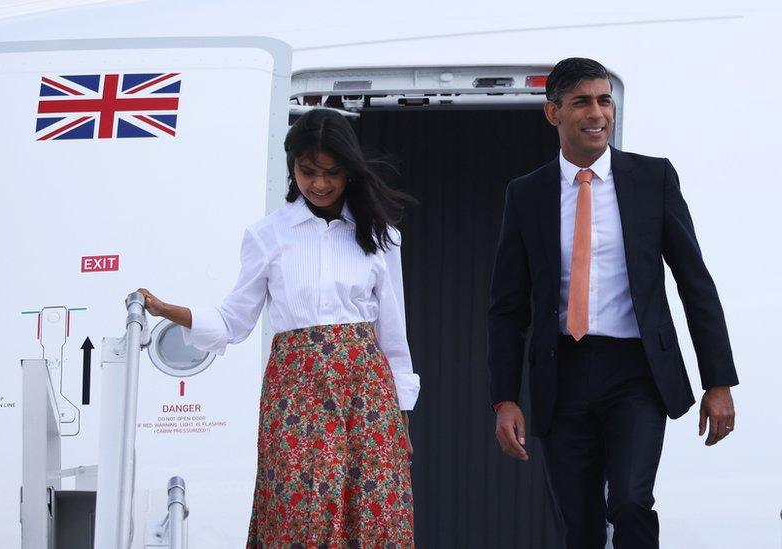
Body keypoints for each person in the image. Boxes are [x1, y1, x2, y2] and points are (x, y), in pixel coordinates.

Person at [486, 58, 738, 548]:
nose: (597, 112)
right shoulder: (527, 195)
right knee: (579, 525)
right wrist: (505, 398)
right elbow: (507, 308)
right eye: (582, 101)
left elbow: (695, 282)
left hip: (636, 372)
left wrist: (719, 381)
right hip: (562, 374)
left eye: (605, 100)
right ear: (553, 113)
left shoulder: (653, 179)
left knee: (629, 501)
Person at [138, 108, 419, 547]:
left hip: (367, 393)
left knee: (373, 509)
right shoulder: (268, 234)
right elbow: (234, 321)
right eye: (308, 171)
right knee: (298, 507)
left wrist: (402, 414)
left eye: (332, 172)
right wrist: (170, 311)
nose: (320, 184)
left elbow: (393, 334)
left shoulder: (380, 235)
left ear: (349, 172)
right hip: (296, 391)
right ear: (292, 167)